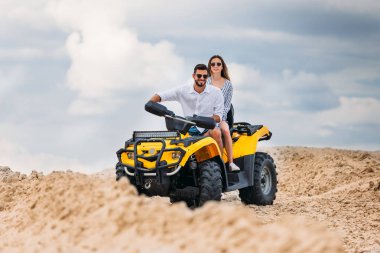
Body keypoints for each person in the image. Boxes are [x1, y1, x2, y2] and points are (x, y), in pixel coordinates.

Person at [149, 64, 224, 153]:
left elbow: (218, 117)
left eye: (205, 76)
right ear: (193, 76)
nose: (202, 78)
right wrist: (150, 103)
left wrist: (199, 120)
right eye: (199, 75)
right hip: (187, 130)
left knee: (216, 132)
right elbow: (162, 95)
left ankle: (221, 162)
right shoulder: (183, 90)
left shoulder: (216, 92)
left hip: (206, 129)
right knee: (170, 139)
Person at [207, 55, 240, 171]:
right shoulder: (206, 82)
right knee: (212, 133)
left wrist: (219, 118)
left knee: (225, 130)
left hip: (221, 117)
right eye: (213, 64)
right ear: (210, 67)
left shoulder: (228, 84)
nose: (215, 66)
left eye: (218, 64)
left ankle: (231, 163)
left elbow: (227, 105)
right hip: (207, 117)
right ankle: (218, 162)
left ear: (222, 67)